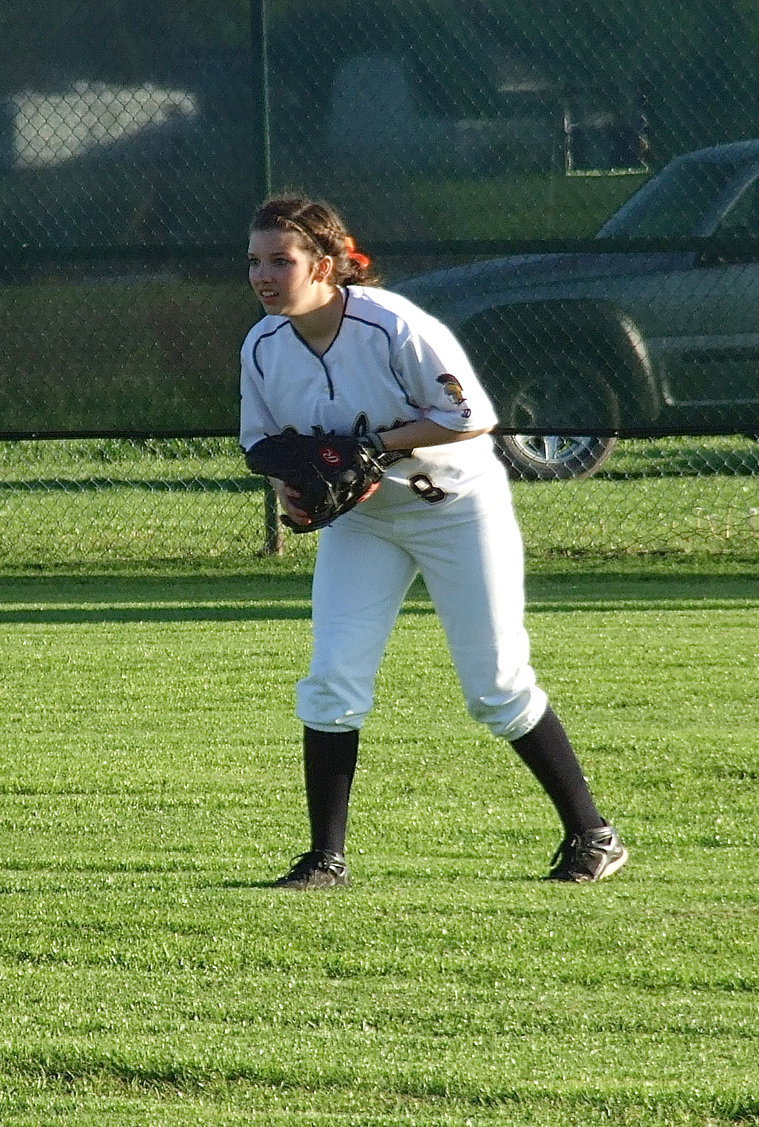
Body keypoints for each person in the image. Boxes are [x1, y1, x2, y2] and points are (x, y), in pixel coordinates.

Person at [239, 194, 626, 889]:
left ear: (325, 265)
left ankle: (593, 834)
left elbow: (472, 414)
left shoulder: (392, 326)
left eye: (281, 260)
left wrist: (373, 445)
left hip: (455, 508)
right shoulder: (264, 345)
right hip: (366, 522)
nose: (264, 275)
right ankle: (325, 858)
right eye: (255, 261)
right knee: (332, 680)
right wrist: (292, 487)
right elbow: (263, 442)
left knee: (496, 687)